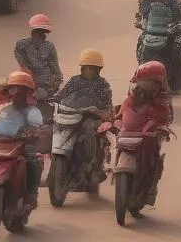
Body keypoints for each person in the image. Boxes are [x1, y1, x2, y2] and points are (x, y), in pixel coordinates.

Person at [53, 48, 114, 195]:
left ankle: (88, 170)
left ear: (99, 69)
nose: (90, 71)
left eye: (94, 68)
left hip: (91, 120)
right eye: (88, 68)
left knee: (87, 141)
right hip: (72, 116)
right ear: (82, 68)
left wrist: (100, 112)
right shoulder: (74, 81)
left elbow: (107, 105)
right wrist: (53, 101)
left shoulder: (102, 84)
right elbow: (61, 96)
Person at [117, 61, 174, 216]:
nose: (142, 87)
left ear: (157, 84)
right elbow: (126, 107)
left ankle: (146, 192)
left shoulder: (163, 99)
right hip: (130, 133)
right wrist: (117, 117)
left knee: (154, 160)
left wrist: (158, 127)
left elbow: (165, 116)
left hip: (150, 136)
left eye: (148, 83)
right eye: (140, 83)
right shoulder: (134, 94)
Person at [0, 70, 44, 208]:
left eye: (21, 90)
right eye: (14, 89)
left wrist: (31, 132)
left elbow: (37, 127)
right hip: (2, 145)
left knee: (34, 162)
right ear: (9, 91)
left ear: (27, 93)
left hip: (22, 146)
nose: (17, 93)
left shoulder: (32, 112)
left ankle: (31, 195)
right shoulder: (2, 108)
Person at [14, 14, 63, 110]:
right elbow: (22, 63)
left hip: (46, 83)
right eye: (37, 32)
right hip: (28, 80)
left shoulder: (49, 47)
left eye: (42, 33)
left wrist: (52, 85)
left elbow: (56, 70)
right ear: (32, 32)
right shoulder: (21, 45)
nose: (41, 36)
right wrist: (27, 74)